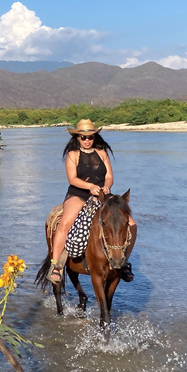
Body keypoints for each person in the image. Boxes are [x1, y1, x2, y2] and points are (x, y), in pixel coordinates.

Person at [49, 119, 136, 284]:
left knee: (132, 224)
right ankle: (56, 265)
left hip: (102, 196)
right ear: (78, 138)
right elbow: (72, 179)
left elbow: (109, 176)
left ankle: (123, 262)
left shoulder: (102, 153)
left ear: (95, 137)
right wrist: (90, 186)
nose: (87, 140)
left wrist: (107, 187)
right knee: (66, 223)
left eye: (90, 137)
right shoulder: (73, 155)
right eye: (83, 137)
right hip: (78, 194)